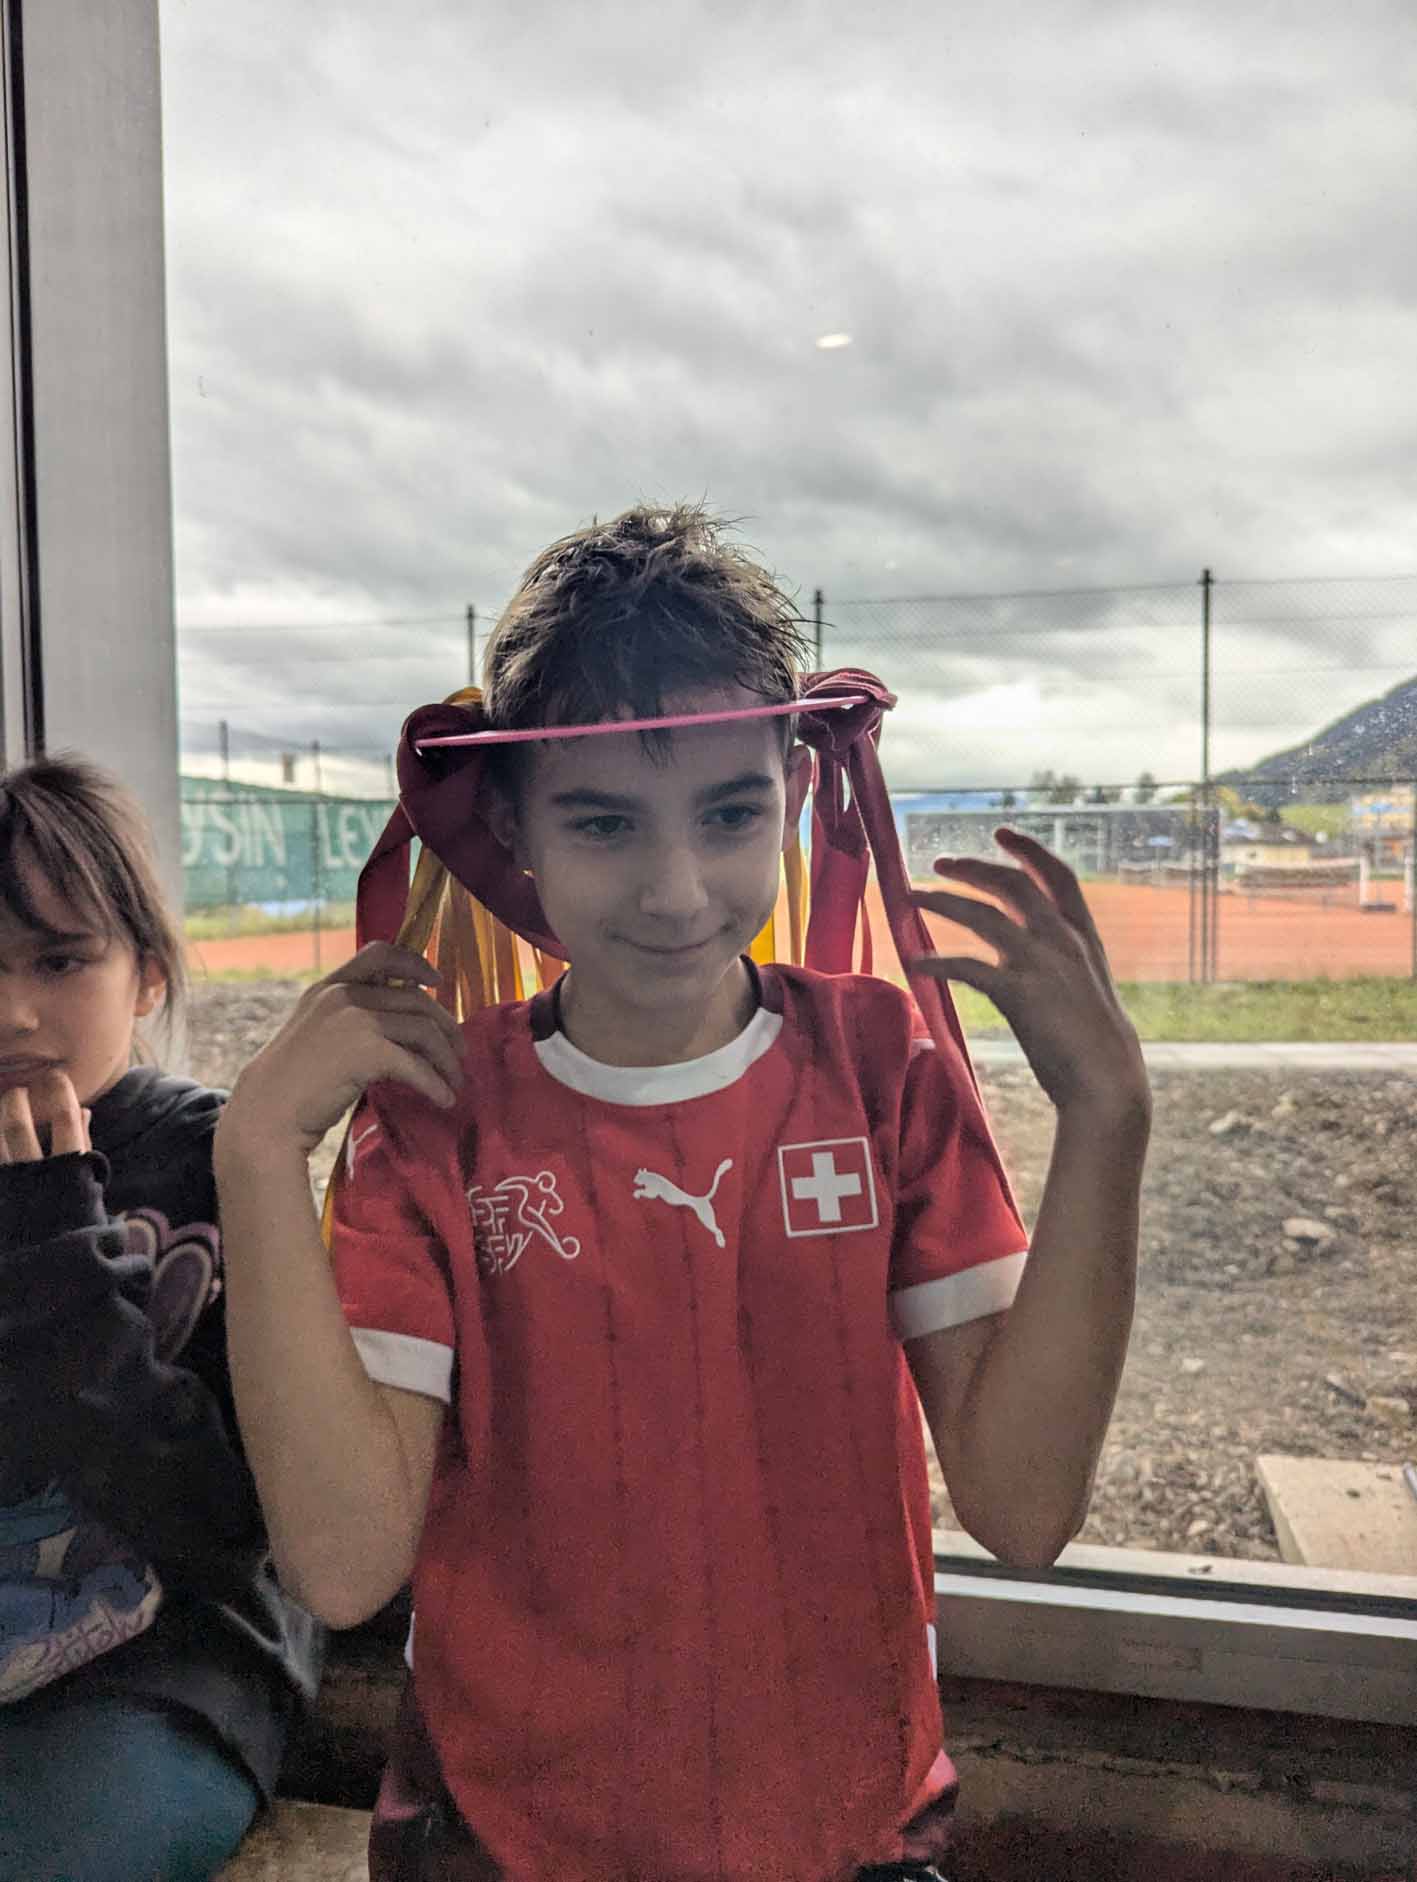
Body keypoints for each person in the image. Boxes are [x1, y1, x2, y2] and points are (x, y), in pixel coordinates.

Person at [216, 504, 1151, 1882]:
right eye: (604, 821)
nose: (675, 889)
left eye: (728, 813)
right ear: (513, 826)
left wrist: (1107, 1123)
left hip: (845, 1829)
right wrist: (253, 1154)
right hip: (502, 1841)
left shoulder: (879, 1072)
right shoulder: (438, 1115)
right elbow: (344, 1564)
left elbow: (1022, 1505)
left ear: (794, 790)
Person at [0, 758, 322, 1882]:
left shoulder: (218, 1158)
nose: (10, 1012)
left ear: (146, 975)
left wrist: (55, 1258)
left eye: (61, 960)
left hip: (166, 1677)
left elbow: (225, 1524)